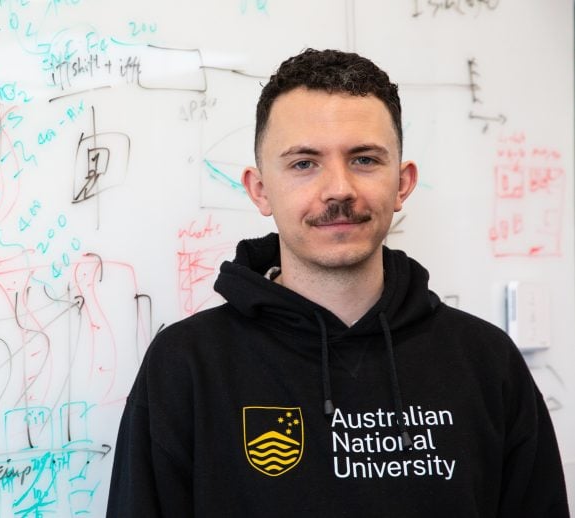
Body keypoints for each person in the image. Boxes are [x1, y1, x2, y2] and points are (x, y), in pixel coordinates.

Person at [106, 49, 570, 517]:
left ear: (403, 184)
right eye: (304, 163)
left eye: (364, 159)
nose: (339, 189)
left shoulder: (486, 362)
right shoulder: (186, 365)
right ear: (260, 189)